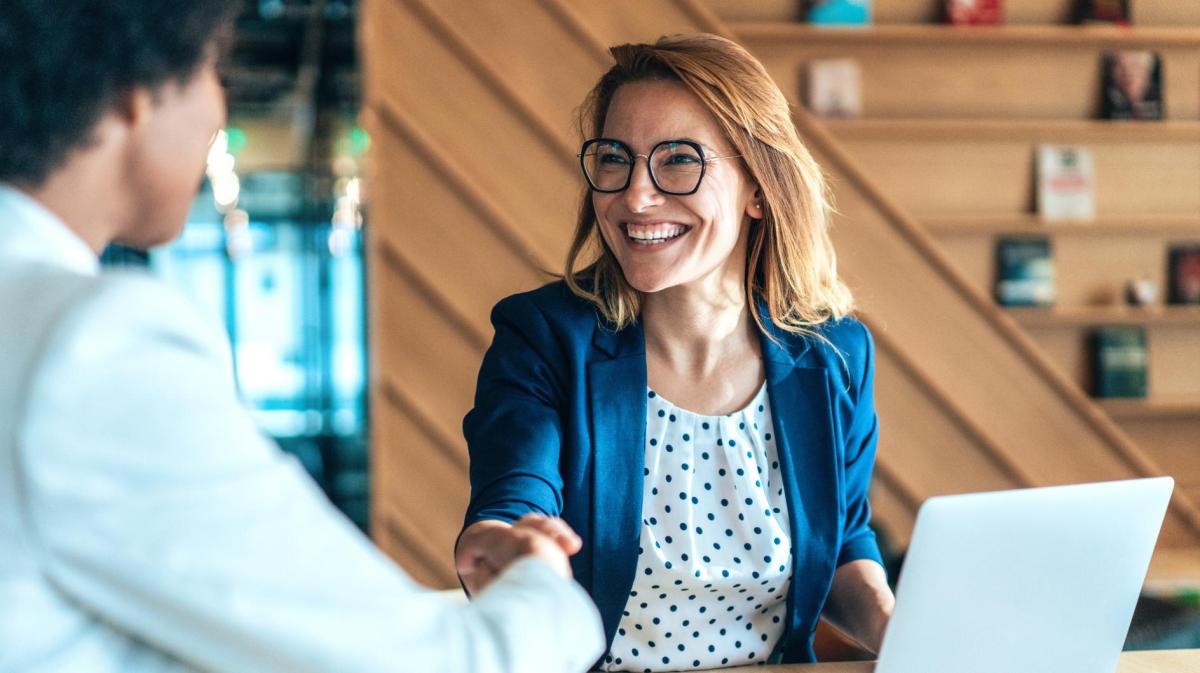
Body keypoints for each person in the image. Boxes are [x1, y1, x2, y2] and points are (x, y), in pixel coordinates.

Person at [0, 3, 602, 672]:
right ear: (133, 96)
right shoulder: (89, 346)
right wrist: (544, 577)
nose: (219, 109)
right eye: (210, 69)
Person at [454, 33, 895, 670]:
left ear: (758, 188)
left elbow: (847, 537)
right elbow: (512, 500)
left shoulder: (835, 355)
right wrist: (505, 547)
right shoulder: (544, 336)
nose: (636, 196)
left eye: (679, 160)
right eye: (615, 159)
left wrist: (899, 627)